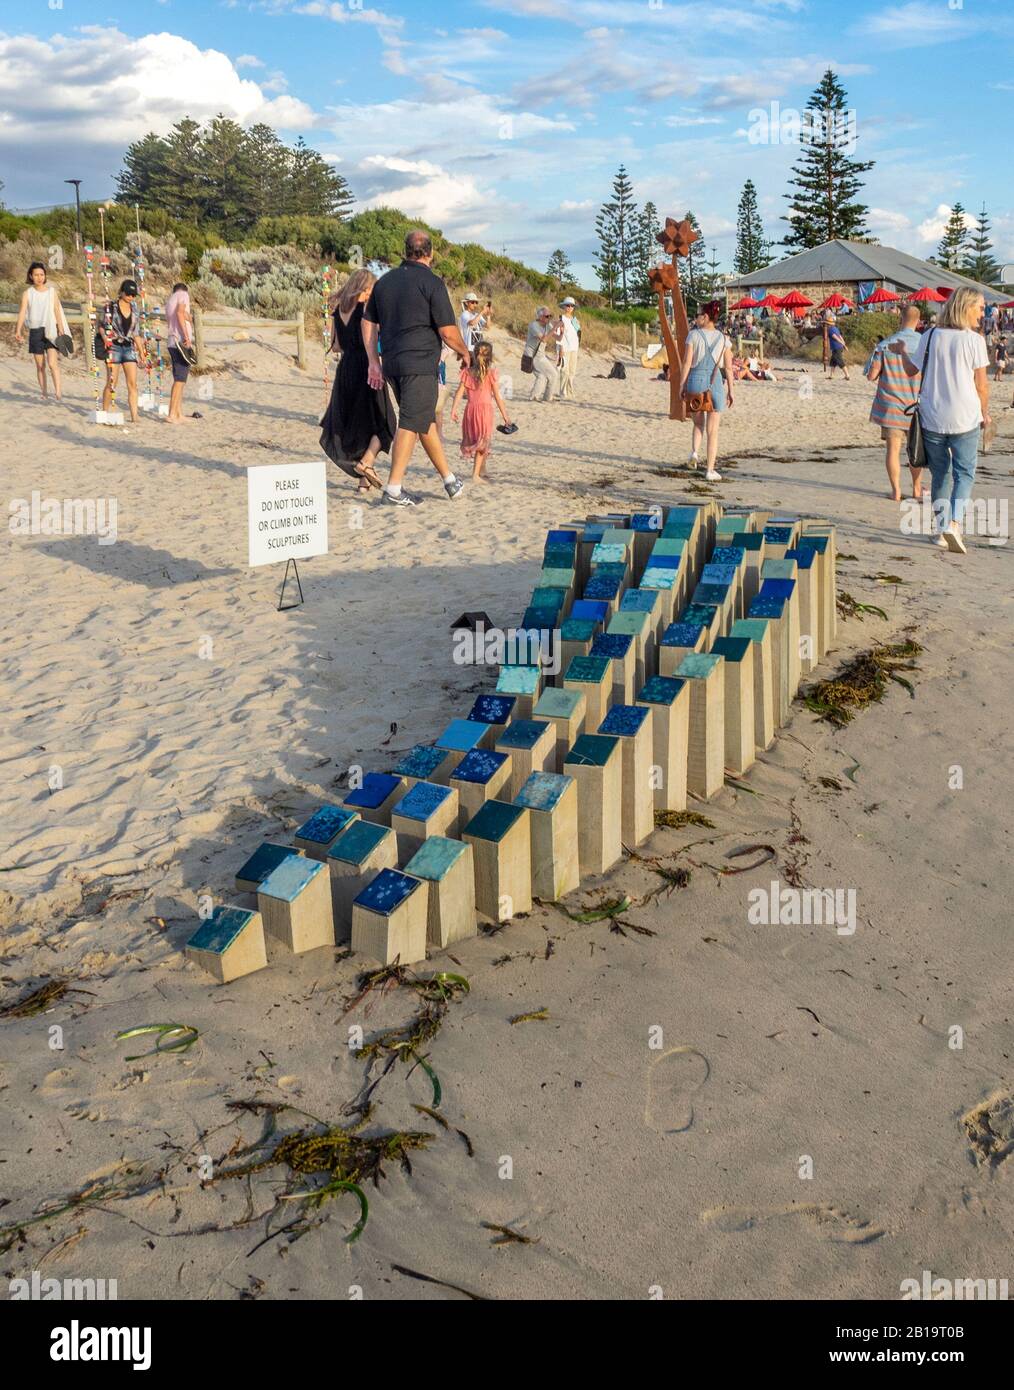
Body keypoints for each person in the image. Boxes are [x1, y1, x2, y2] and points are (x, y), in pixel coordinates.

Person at [362, 230, 470, 507]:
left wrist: (374, 360)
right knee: (411, 421)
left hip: (393, 364)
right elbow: (447, 331)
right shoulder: (432, 283)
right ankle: (394, 488)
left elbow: (368, 323)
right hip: (419, 363)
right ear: (430, 253)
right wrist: (465, 352)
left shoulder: (384, 283)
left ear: (405, 251)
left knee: (423, 420)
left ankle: (450, 481)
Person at [891, 286, 991, 554]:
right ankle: (954, 523)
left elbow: (912, 370)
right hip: (965, 417)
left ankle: (940, 529)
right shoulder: (974, 341)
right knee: (964, 472)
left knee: (940, 474)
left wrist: (901, 350)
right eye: (980, 307)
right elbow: (981, 385)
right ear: (967, 306)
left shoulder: (931, 335)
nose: (983, 313)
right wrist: (985, 413)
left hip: (933, 417)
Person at [320, 267, 396, 492]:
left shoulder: (338, 311)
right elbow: (371, 340)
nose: (373, 294)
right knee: (386, 421)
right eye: (372, 289)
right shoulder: (366, 310)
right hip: (366, 366)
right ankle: (366, 462)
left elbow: (335, 346)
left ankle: (364, 481)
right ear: (365, 287)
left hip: (345, 369)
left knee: (361, 423)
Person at [867, 305, 923, 501]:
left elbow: (871, 375)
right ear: (919, 320)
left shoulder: (885, 344)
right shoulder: (924, 344)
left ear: (900, 318)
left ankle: (896, 491)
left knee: (893, 450)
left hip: (890, 406)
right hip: (916, 407)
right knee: (915, 450)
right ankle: (916, 488)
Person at [678, 306, 734, 482]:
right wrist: (731, 390)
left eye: (698, 315)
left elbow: (687, 362)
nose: (696, 318)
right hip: (714, 383)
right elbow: (729, 368)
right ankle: (710, 470)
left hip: (695, 380)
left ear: (706, 316)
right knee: (713, 431)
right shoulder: (724, 339)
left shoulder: (693, 335)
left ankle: (694, 453)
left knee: (697, 424)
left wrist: (682, 385)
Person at [450, 341, 512, 483]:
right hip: (484, 412)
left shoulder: (467, 372)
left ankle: (482, 470)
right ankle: (475, 475)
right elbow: (497, 396)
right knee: (482, 442)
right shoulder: (490, 373)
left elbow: (459, 392)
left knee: (479, 440)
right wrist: (505, 416)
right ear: (490, 356)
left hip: (470, 411)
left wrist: (453, 410)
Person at [14, 261, 68, 401]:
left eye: (41, 274)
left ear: (45, 276)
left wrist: (60, 328)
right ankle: (44, 392)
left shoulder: (51, 292)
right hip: (35, 331)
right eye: (36, 275)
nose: (39, 277)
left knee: (52, 363)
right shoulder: (28, 293)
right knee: (40, 365)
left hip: (51, 329)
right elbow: (22, 312)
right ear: (31, 276)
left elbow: (57, 310)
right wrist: (18, 330)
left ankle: (58, 391)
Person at [101, 279, 147, 423]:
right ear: (121, 292)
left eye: (133, 295)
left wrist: (142, 352)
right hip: (113, 346)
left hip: (129, 347)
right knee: (112, 382)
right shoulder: (111, 307)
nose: (131, 297)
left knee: (132, 383)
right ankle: (104, 412)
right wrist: (105, 339)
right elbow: (102, 326)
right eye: (128, 294)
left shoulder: (134, 309)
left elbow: (136, 333)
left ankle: (134, 416)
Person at [164, 281, 195, 425]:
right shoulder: (183, 295)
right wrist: (187, 338)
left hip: (172, 341)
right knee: (179, 379)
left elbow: (181, 314)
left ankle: (178, 413)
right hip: (179, 342)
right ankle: (172, 414)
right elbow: (180, 313)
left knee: (181, 379)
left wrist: (189, 317)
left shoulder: (171, 300)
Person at [524, 307, 561, 402]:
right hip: (532, 356)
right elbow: (544, 339)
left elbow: (558, 338)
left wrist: (562, 330)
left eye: (550, 316)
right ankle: (543, 397)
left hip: (540, 355)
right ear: (540, 317)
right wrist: (555, 327)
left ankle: (536, 397)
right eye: (547, 316)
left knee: (542, 376)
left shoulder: (547, 326)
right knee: (553, 374)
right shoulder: (534, 325)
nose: (549, 318)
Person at [558, 296, 581, 399]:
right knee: (564, 371)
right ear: (564, 306)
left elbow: (578, 333)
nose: (570, 307)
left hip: (574, 348)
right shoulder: (561, 319)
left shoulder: (575, 319)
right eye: (568, 305)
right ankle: (563, 393)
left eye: (572, 306)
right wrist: (561, 349)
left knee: (572, 371)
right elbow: (559, 335)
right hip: (565, 348)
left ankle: (570, 392)